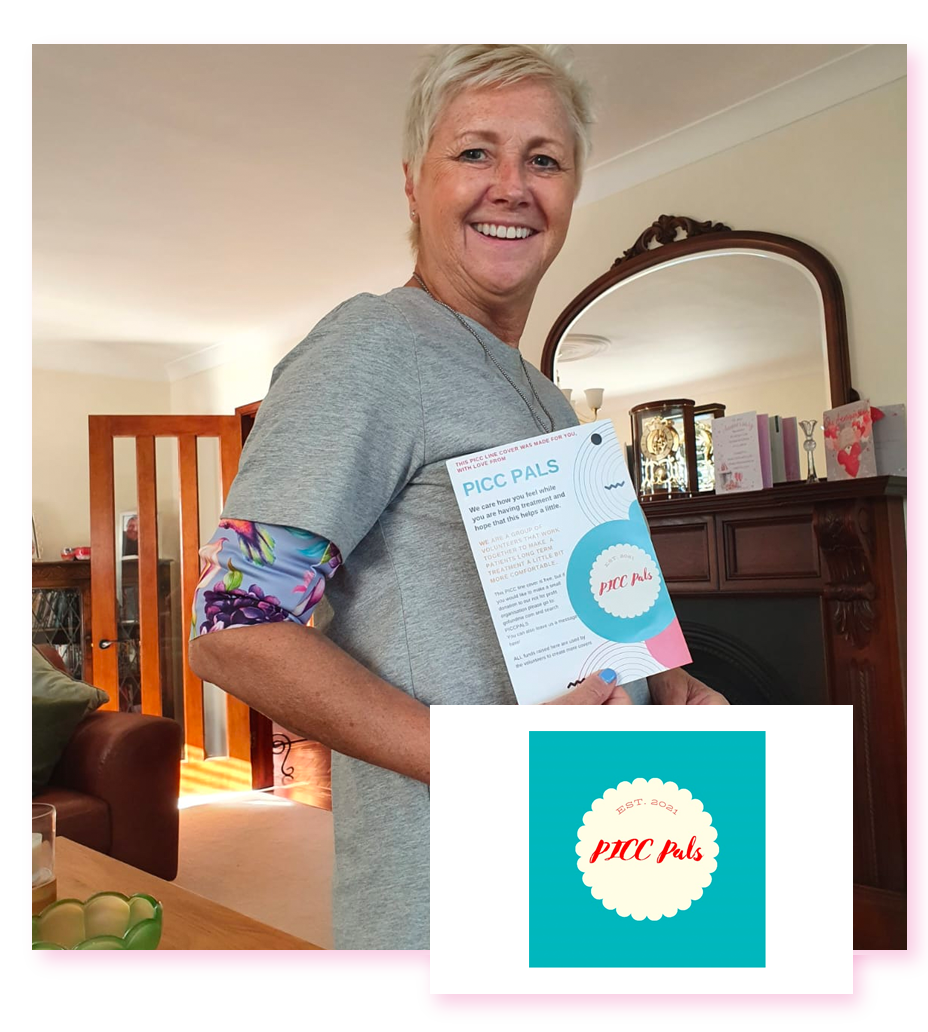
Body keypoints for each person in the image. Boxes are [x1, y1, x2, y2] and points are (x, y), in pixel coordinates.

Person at [188, 44, 726, 951]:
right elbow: (232, 625)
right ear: (413, 183)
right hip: (452, 899)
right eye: (475, 152)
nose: (511, 186)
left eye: (544, 159)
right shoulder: (372, 345)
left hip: (602, 855)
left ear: (571, 189)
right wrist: (483, 763)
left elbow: (588, 620)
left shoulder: (543, 394)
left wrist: (669, 686)